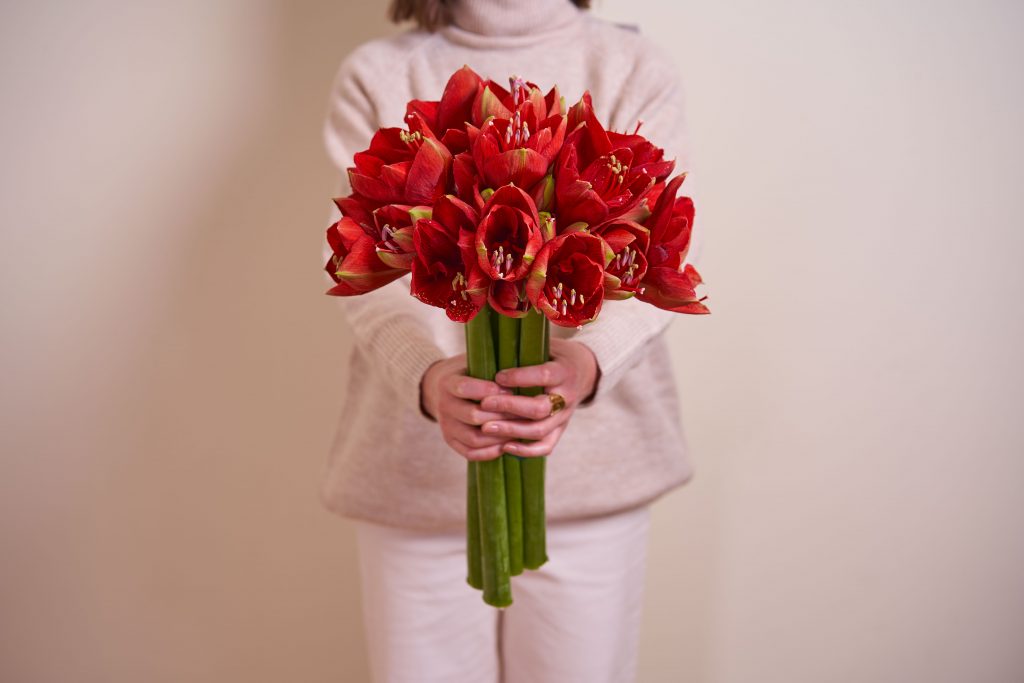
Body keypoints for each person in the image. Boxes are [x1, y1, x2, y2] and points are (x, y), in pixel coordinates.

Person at [319, 1, 704, 681]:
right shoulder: (378, 73)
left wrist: (585, 363)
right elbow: (365, 267)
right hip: (413, 487)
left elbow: (659, 253)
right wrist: (429, 377)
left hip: (594, 487)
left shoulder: (633, 65)